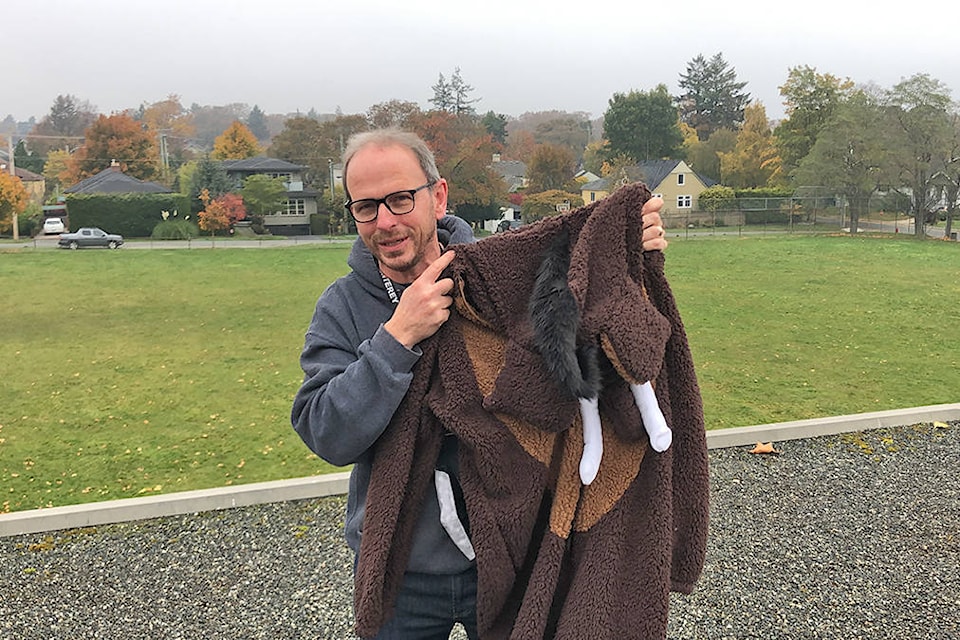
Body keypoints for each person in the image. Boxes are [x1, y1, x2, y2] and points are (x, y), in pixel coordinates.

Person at [291, 128, 667, 640]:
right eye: (365, 207)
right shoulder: (343, 306)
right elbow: (326, 432)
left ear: (438, 195)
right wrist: (397, 338)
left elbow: (579, 289)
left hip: (511, 554)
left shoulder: (503, 278)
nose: (385, 221)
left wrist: (622, 244)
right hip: (401, 570)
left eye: (401, 199)